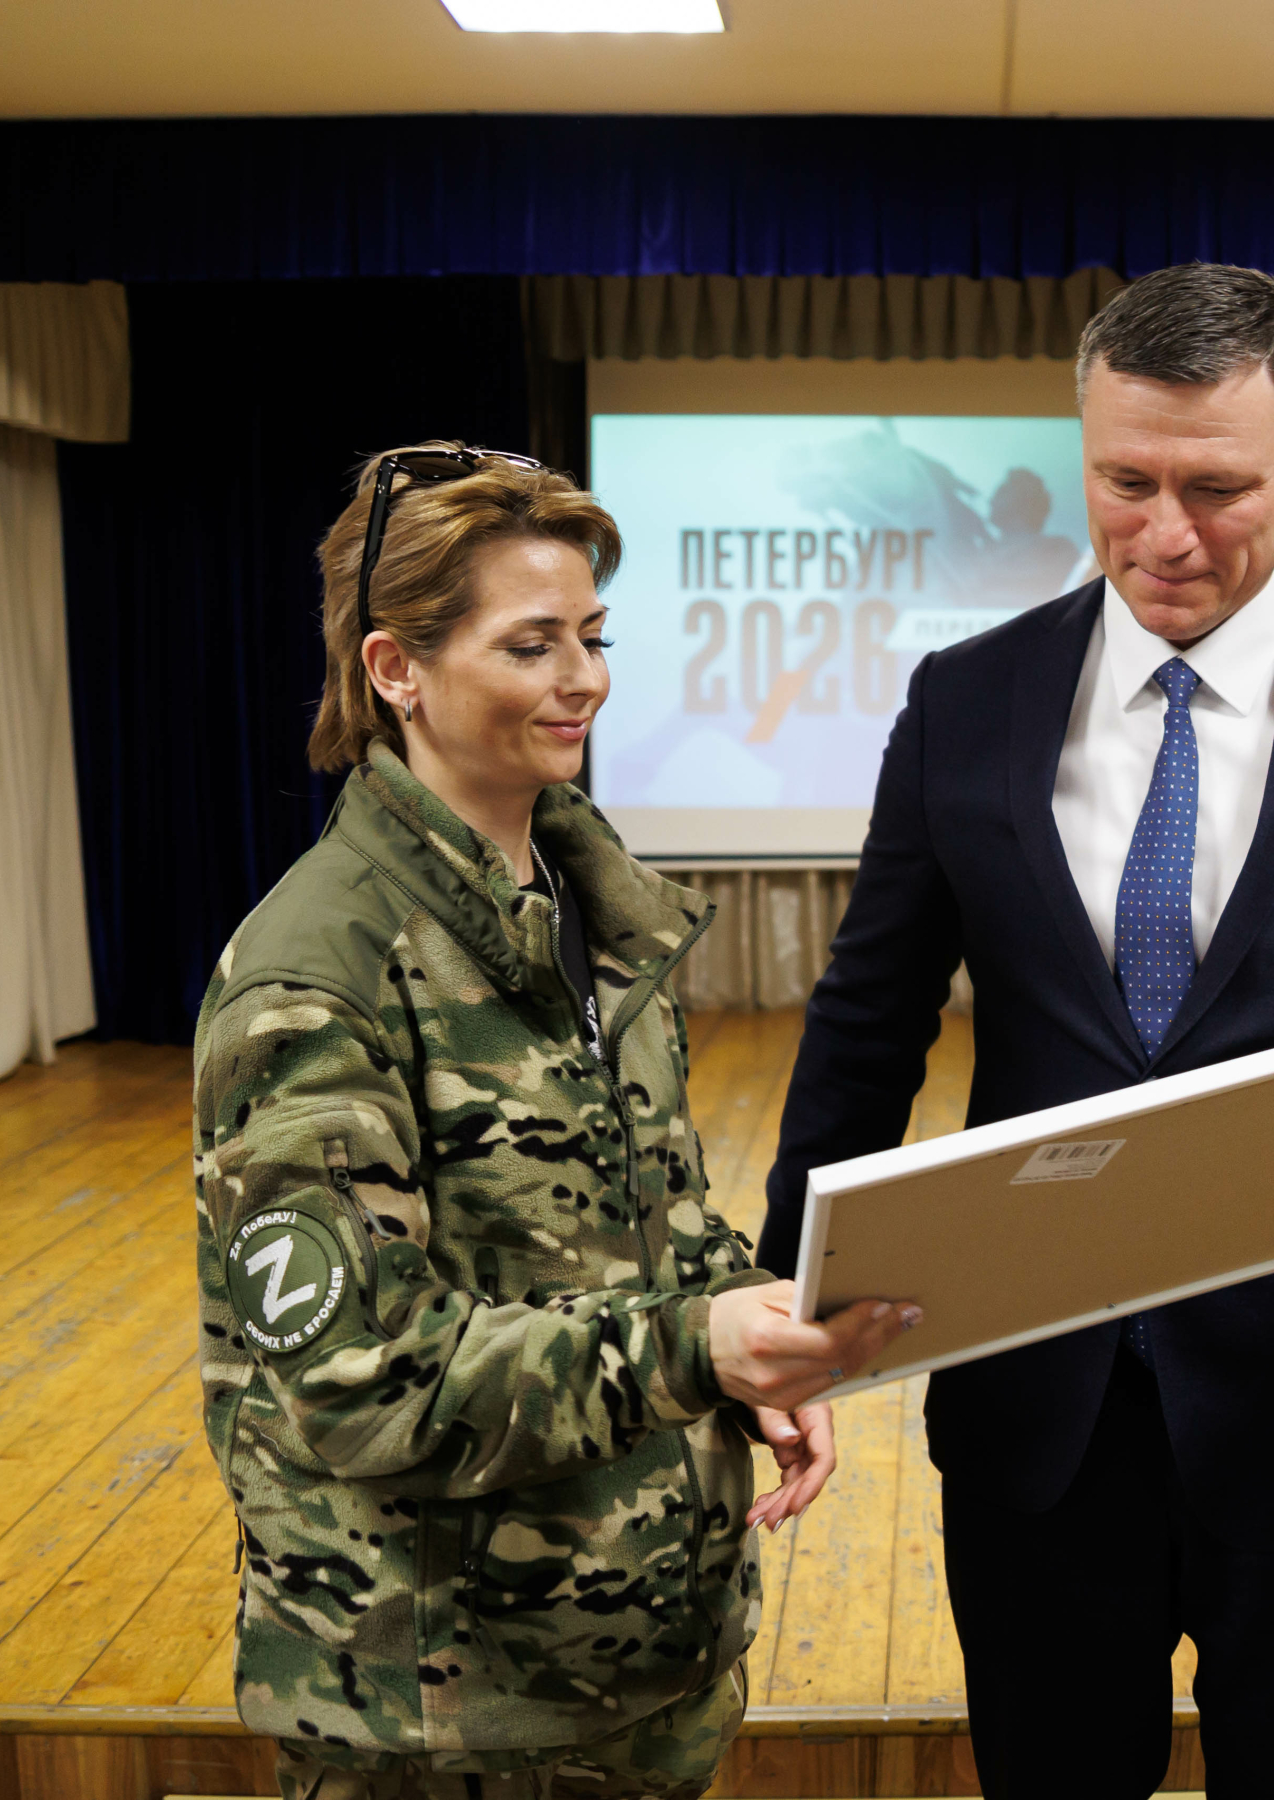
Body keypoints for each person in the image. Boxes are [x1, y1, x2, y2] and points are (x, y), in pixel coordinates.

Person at [758, 267, 1274, 1799]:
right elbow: (867, 1025)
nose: (1165, 535)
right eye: (1124, 483)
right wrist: (784, 1295)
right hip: (1037, 1419)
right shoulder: (966, 702)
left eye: (1216, 490)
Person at [191, 445, 912, 1800]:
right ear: (396, 669)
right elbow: (363, 1384)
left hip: (643, 1663)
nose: (584, 678)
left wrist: (744, 1337)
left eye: (593, 637)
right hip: (441, 1716)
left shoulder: (590, 906)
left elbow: (649, 1222)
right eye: (532, 645)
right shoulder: (315, 976)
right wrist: (697, 1348)